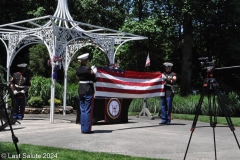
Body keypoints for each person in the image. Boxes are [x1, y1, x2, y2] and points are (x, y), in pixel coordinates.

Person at [76, 53, 97, 134]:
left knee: (83, 110)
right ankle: (87, 129)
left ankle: (83, 128)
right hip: (88, 90)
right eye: (87, 60)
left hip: (81, 89)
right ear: (84, 61)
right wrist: (94, 72)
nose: (87, 61)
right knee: (88, 110)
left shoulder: (78, 69)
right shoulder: (88, 69)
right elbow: (94, 79)